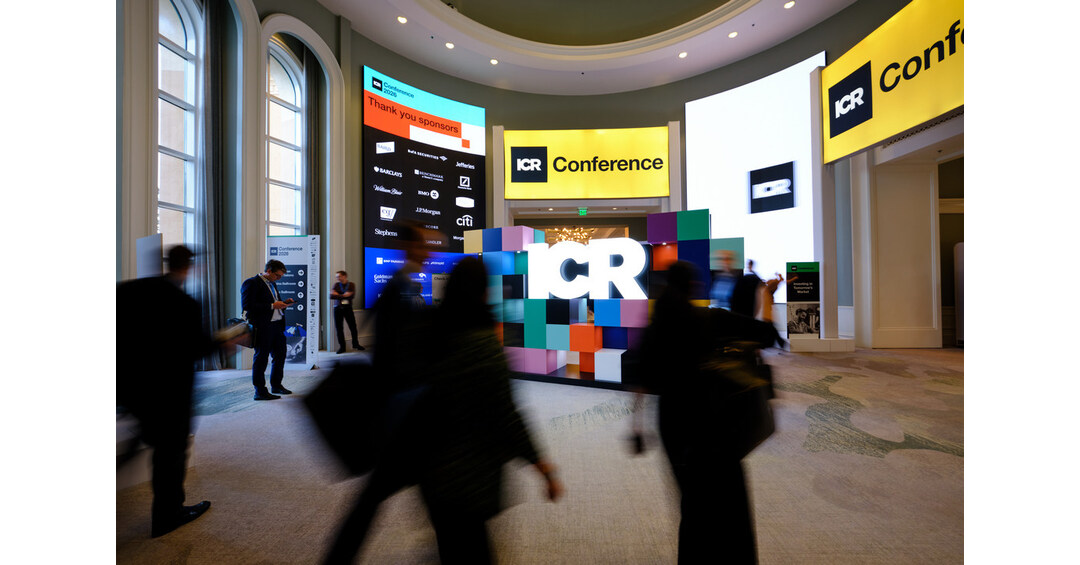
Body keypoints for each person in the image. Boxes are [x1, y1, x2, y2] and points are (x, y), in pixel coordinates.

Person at [323, 257, 563, 564]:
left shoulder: (426, 328)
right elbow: (505, 415)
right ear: (484, 291)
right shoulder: (483, 345)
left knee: (446, 540)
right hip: (467, 476)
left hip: (427, 467)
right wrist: (544, 469)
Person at [633, 261, 781, 564]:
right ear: (693, 287)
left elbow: (641, 381)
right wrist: (767, 296)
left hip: (673, 427)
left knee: (692, 508)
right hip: (714, 427)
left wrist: (636, 428)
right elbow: (766, 335)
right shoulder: (710, 320)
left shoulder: (655, 328)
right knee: (730, 510)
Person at [117, 245, 240, 537]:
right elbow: (196, 347)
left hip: (132, 387)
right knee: (170, 454)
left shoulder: (128, 290)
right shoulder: (185, 304)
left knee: (145, 439)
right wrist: (224, 344)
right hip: (169, 393)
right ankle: (168, 515)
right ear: (189, 267)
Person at [241, 259, 295, 400]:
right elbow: (247, 306)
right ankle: (259, 391)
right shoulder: (251, 283)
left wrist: (283, 304)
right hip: (262, 327)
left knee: (280, 356)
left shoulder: (272, 284)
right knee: (261, 359)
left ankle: (276, 385)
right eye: (277, 275)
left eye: (281, 276)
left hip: (277, 326)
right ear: (269, 271)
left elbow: (274, 302)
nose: (279, 278)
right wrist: (272, 306)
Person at [329, 270, 364, 354]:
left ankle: (356, 344)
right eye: (337, 277)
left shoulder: (351, 284)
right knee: (339, 328)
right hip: (338, 308)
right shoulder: (336, 285)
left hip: (348, 308)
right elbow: (331, 296)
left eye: (339, 276)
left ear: (344, 276)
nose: (337, 278)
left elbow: (351, 296)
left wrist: (338, 294)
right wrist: (344, 295)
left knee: (353, 327)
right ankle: (342, 347)